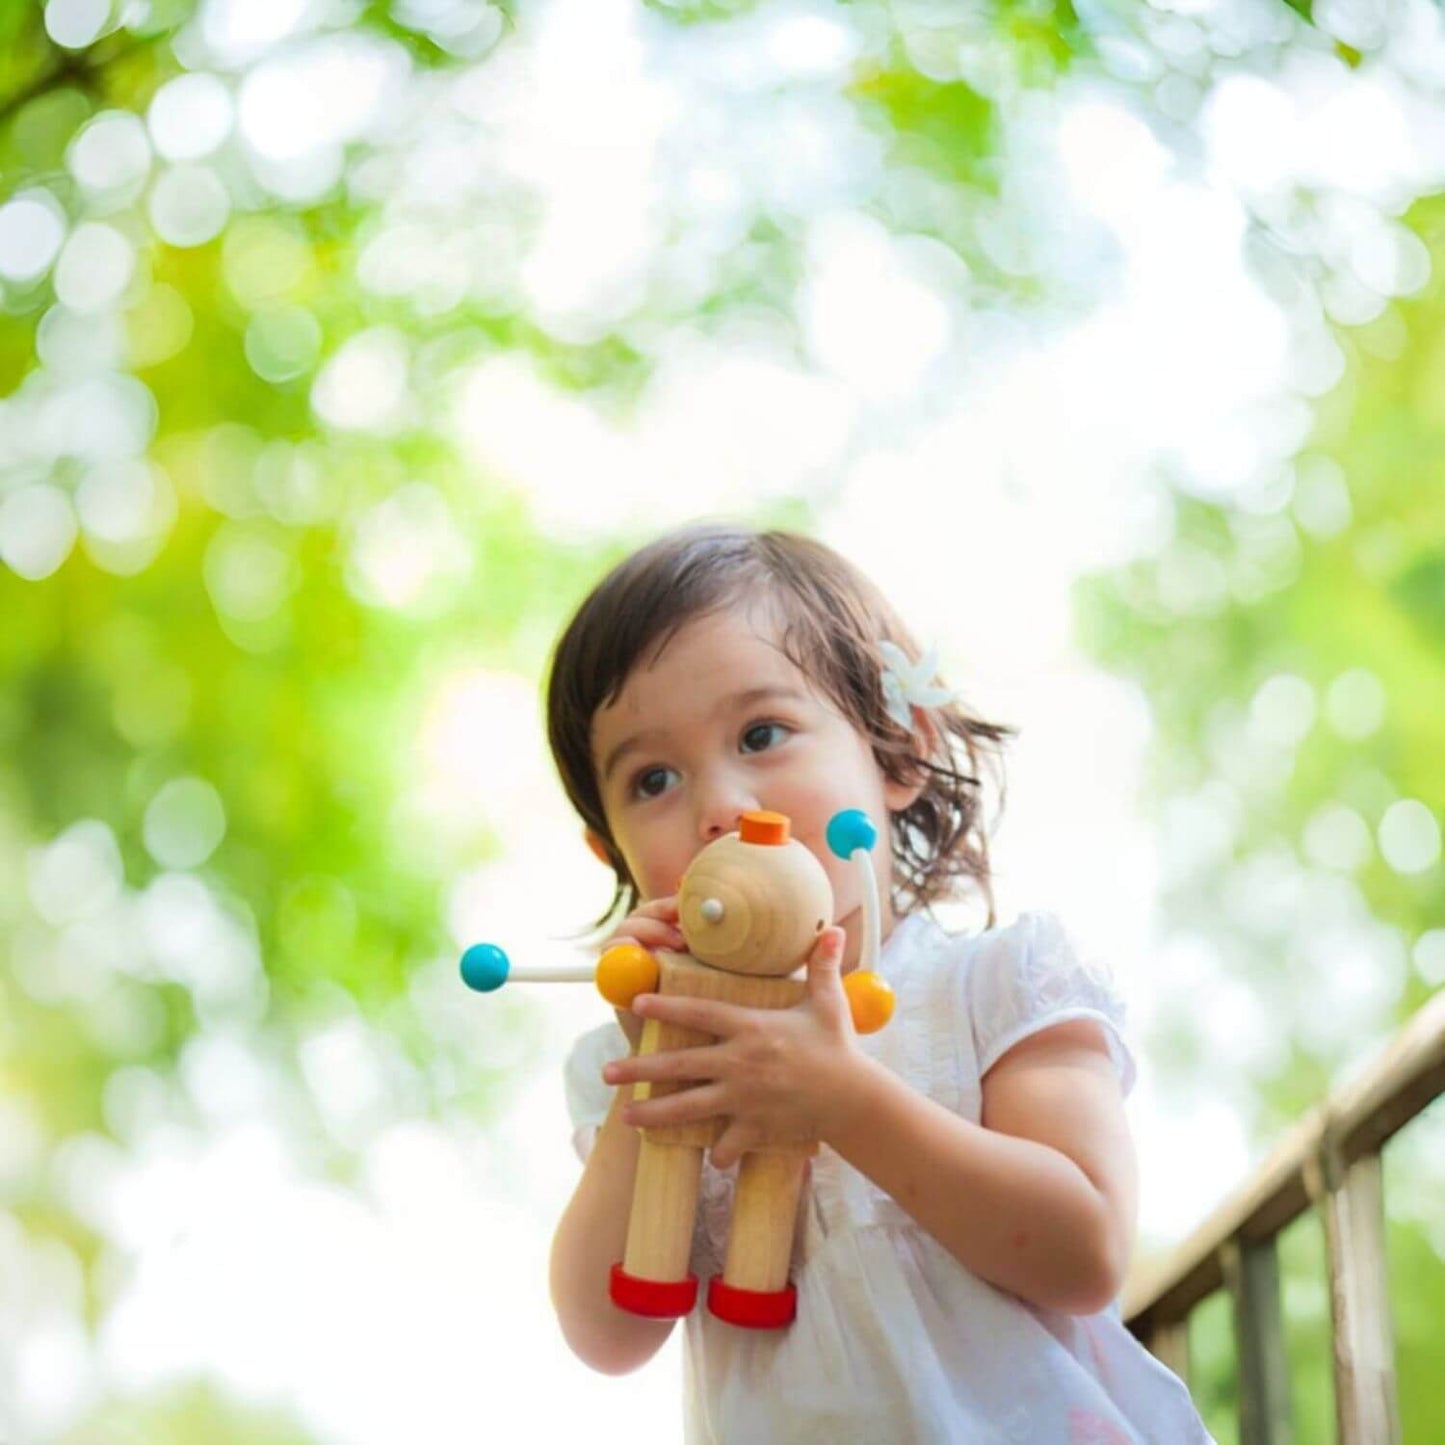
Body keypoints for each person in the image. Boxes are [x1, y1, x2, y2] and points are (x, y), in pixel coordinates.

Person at [545, 523, 1214, 1443]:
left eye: (761, 732)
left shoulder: (991, 985)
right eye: (652, 778)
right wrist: (648, 1085)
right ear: (608, 848)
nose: (719, 807)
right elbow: (606, 1334)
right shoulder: (634, 1055)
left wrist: (842, 1099)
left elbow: (1085, 1250)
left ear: (895, 754)